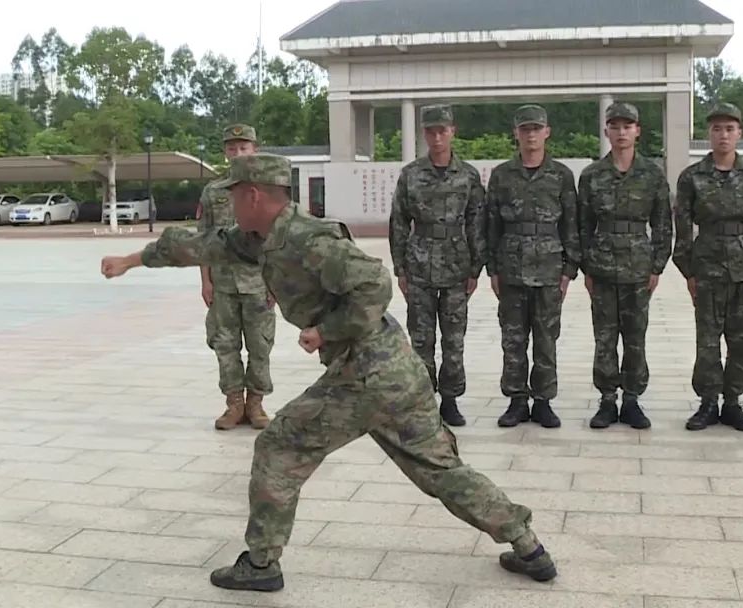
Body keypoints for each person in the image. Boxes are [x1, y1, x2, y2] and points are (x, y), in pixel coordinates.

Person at [99, 153, 556, 592]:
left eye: (234, 194)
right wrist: (132, 260)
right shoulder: (259, 236)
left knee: (279, 446)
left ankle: (260, 563)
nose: (230, 203)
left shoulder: (308, 238)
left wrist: (325, 330)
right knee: (440, 469)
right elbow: (201, 245)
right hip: (396, 369)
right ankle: (528, 546)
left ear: (253, 195)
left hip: (366, 372)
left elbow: (375, 284)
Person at [672, 102, 743, 432]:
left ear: (739, 133)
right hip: (707, 268)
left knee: (740, 339)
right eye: (717, 129)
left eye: (729, 129)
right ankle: (707, 402)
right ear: (709, 134)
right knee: (707, 340)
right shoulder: (692, 177)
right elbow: (683, 227)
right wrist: (688, 271)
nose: (723, 135)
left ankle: (732, 402)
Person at [388, 104, 487, 427]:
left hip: (457, 265)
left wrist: (476, 268)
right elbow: (399, 222)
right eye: (431, 132)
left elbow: (477, 222)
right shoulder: (411, 174)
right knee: (421, 339)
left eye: (442, 130)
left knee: (454, 339)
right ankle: (422, 400)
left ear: (452, 131)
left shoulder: (468, 175)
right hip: (419, 264)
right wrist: (400, 268)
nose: (437, 137)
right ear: (424, 134)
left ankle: (451, 399)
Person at [577, 101, 673, 430]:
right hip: (602, 268)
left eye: (627, 126)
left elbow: (663, 225)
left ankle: (631, 399)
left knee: (635, 337)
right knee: (604, 338)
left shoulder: (652, 175)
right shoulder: (592, 175)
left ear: (637, 131)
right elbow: (582, 226)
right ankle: (607, 400)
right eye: (615, 126)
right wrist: (587, 267)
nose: (621, 132)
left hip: (637, 268)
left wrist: (656, 266)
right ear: (606, 131)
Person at [486, 104, 581, 428]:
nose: (531, 135)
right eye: (525, 129)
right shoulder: (502, 175)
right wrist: (492, 269)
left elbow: (571, 224)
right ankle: (516, 401)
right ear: (516, 133)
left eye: (536, 129)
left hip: (549, 270)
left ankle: (543, 401)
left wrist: (569, 270)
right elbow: (492, 224)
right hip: (511, 268)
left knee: (546, 338)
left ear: (546, 132)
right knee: (513, 339)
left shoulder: (561, 175)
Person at [198, 124, 274, 430]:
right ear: (225, 152)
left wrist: (276, 283)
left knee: (260, 345)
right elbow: (203, 239)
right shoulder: (213, 191)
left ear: (255, 150)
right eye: (232, 148)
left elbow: (279, 238)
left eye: (244, 147)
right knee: (224, 344)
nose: (238, 153)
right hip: (223, 282)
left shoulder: (269, 189)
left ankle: (256, 404)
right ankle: (234, 404)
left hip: (258, 282)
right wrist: (205, 281)